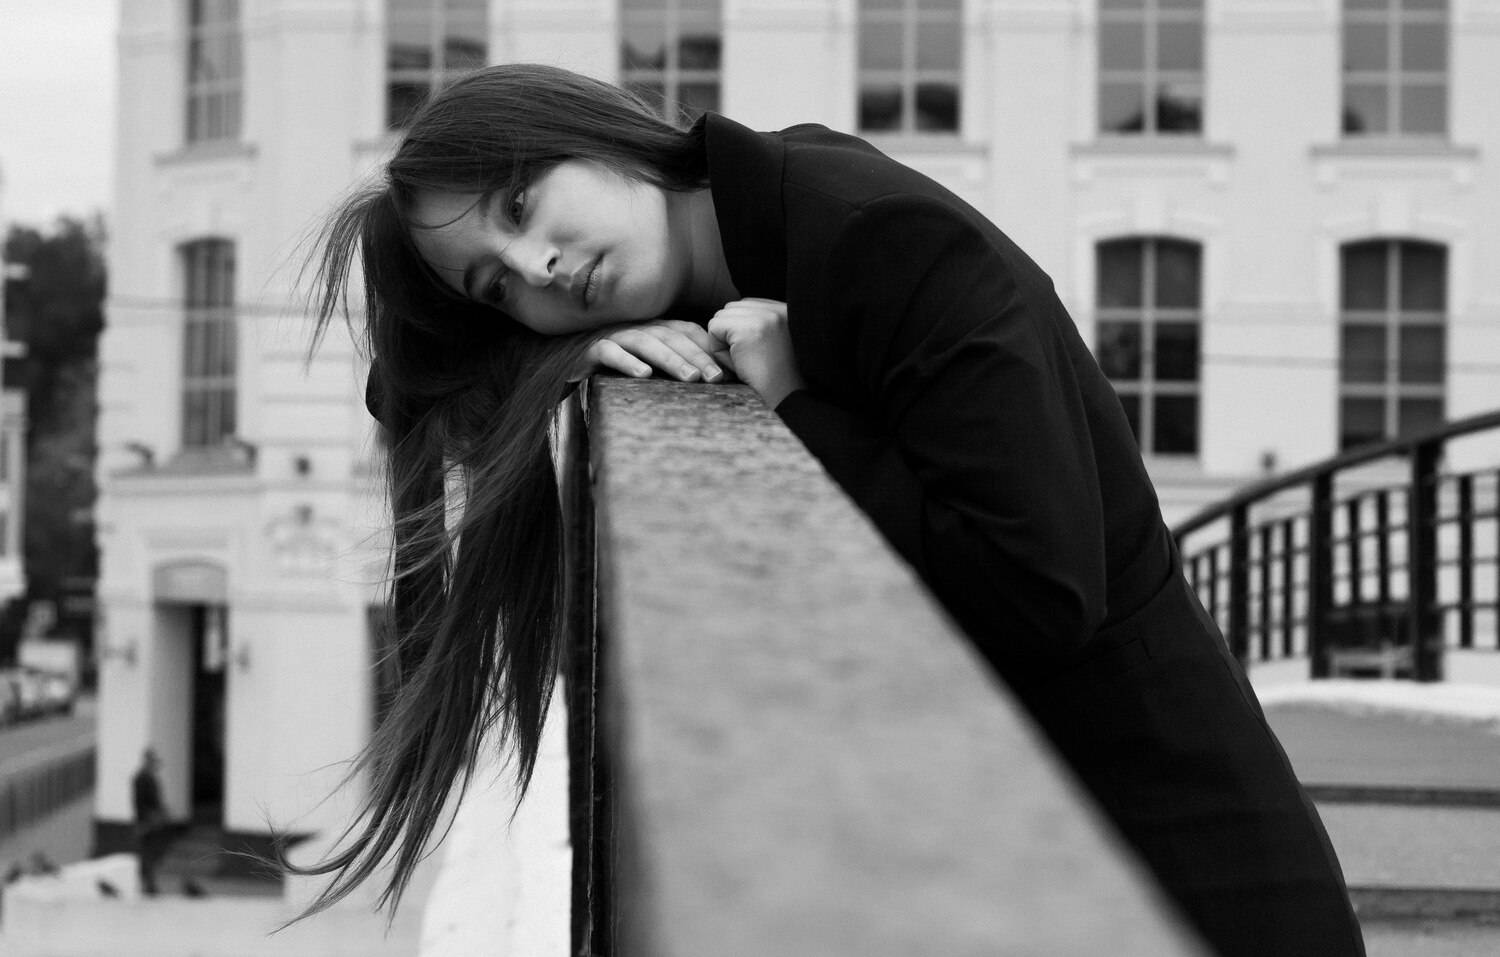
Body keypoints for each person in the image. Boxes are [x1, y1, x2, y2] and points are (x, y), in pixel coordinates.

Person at [303, 63, 1366, 955]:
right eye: (499, 288)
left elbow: (1036, 594)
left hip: (1173, 849)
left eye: (521, 205)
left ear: (595, 133)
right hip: (1027, 833)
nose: (537, 265)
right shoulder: (734, 239)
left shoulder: (876, 237)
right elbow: (411, 383)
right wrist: (565, 357)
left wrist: (795, 401)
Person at [132, 748, 168, 896]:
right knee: (147, 852)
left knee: (152, 852)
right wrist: (146, 820)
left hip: (152, 821)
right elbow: (140, 802)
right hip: (147, 821)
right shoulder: (142, 778)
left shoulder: (148, 777)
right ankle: (148, 883)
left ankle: (150, 882)